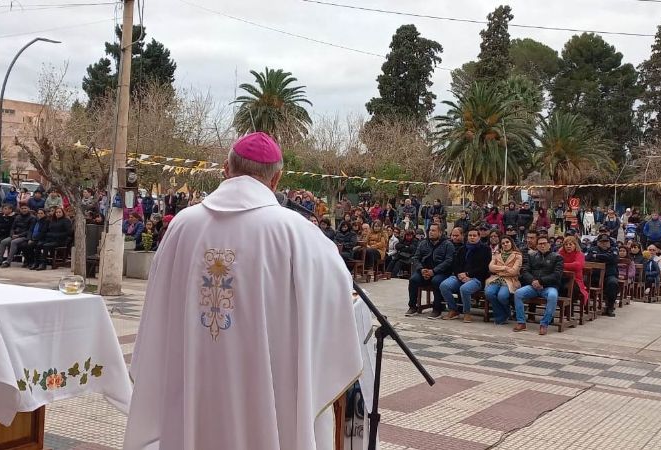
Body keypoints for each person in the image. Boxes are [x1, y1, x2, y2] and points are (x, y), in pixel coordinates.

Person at [124, 132, 362, 450]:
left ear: (226, 169)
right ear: (276, 179)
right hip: (269, 388)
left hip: (193, 379)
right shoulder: (297, 232)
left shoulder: (182, 225)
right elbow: (338, 293)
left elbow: (158, 308)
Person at [514, 235, 564, 335]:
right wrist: (533, 281)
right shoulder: (531, 256)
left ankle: (544, 324)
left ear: (549, 245)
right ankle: (521, 322)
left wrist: (541, 281)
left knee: (553, 295)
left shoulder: (557, 257)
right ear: (537, 246)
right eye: (540, 244)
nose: (542, 246)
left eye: (544, 243)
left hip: (549, 287)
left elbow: (557, 275)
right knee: (518, 293)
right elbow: (525, 271)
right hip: (533, 286)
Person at [440, 228, 491, 323]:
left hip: (477, 278)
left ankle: (467, 313)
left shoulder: (485, 249)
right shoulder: (463, 249)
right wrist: (459, 274)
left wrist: (468, 274)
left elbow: (484, 268)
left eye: (474, 236)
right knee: (444, 285)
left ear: (479, 237)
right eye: (470, 235)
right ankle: (453, 310)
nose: (472, 237)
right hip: (460, 276)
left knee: (465, 289)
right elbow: (455, 264)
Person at [405, 223, 454, 318]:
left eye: (433, 230)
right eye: (430, 230)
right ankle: (412, 306)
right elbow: (415, 258)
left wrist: (434, 271)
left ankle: (437, 309)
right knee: (413, 280)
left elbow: (448, 261)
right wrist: (421, 269)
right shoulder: (423, 243)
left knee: (436, 281)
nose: (431, 232)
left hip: (440, 272)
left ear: (440, 232)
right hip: (424, 271)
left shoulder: (448, 244)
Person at [485, 236, 522, 325]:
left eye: (507, 242)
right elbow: (491, 267)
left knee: (502, 296)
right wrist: (505, 268)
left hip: (510, 280)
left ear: (511, 243)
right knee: (489, 293)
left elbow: (514, 271)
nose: (505, 244)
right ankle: (503, 314)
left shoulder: (518, 255)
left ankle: (505, 312)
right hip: (496, 279)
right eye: (503, 243)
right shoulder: (497, 254)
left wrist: (499, 271)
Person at [586, 235, 620, 317]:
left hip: (609, 275)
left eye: (606, 242)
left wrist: (597, 256)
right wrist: (606, 258)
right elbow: (588, 258)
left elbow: (613, 258)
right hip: (594, 275)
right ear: (598, 242)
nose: (604, 243)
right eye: (602, 242)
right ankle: (586, 306)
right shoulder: (592, 249)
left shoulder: (614, 249)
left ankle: (610, 307)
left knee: (613, 283)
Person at [559, 236, 589, 306]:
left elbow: (577, 265)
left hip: (576, 280)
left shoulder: (580, 254)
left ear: (575, 245)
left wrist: (562, 265)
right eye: (566, 245)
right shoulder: (560, 253)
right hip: (562, 278)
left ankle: (569, 310)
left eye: (570, 244)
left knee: (569, 288)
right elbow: (556, 263)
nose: (568, 246)